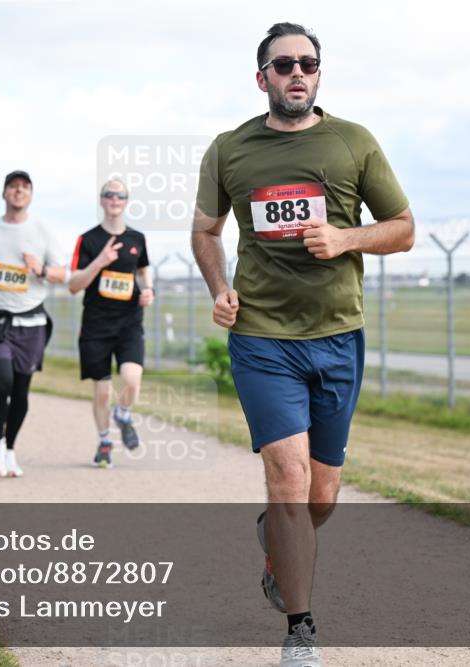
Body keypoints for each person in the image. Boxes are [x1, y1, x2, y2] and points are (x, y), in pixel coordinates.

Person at [191, 23, 415, 667]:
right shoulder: (230, 149)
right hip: (262, 339)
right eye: (283, 64)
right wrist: (219, 286)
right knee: (287, 478)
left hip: (338, 337)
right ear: (261, 77)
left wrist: (346, 239)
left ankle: (275, 543)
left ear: (318, 75)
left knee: (321, 498)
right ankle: (301, 632)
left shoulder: (353, 142)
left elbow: (402, 229)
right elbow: (205, 231)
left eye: (308, 64)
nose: (297, 73)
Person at [0, 170, 65, 478]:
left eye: (24, 187)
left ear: (31, 195)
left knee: (21, 390)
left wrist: (42, 269)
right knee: (2, 380)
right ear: (4, 193)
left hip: (31, 321)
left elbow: (62, 272)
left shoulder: (42, 231)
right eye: (13, 187)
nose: (19, 191)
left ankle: (9, 449)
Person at [68, 179, 153, 468]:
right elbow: (74, 285)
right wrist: (100, 261)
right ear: (102, 200)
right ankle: (105, 442)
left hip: (129, 322)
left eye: (120, 195)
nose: (115, 199)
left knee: (132, 379)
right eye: (109, 194)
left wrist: (149, 289)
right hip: (96, 325)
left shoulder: (137, 238)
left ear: (126, 201)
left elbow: (143, 268)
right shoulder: (88, 239)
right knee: (102, 390)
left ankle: (124, 414)